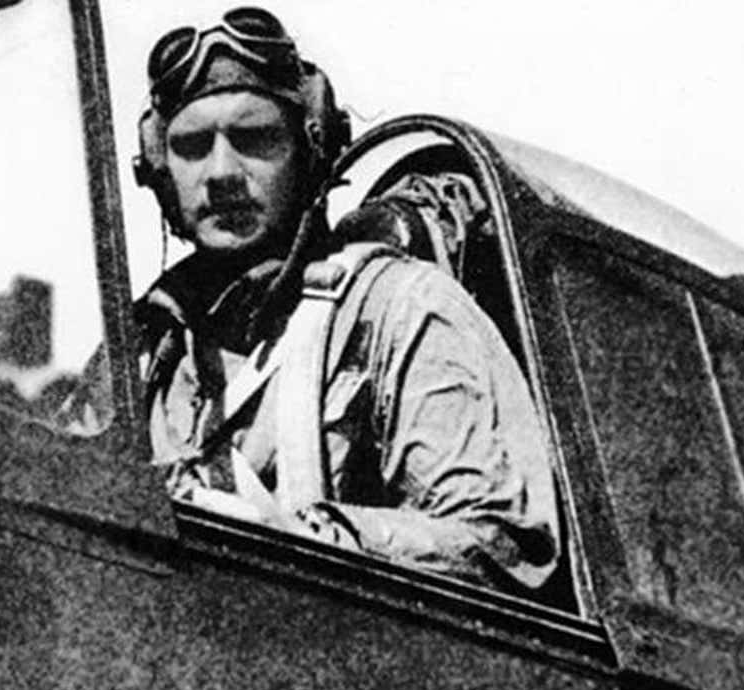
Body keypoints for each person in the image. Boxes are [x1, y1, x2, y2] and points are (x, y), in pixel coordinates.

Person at [128, 7, 560, 590]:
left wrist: (300, 538)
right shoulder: (141, 353)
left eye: (255, 140)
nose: (222, 172)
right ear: (159, 170)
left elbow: (502, 541)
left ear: (310, 151)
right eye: (192, 147)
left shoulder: (400, 308)